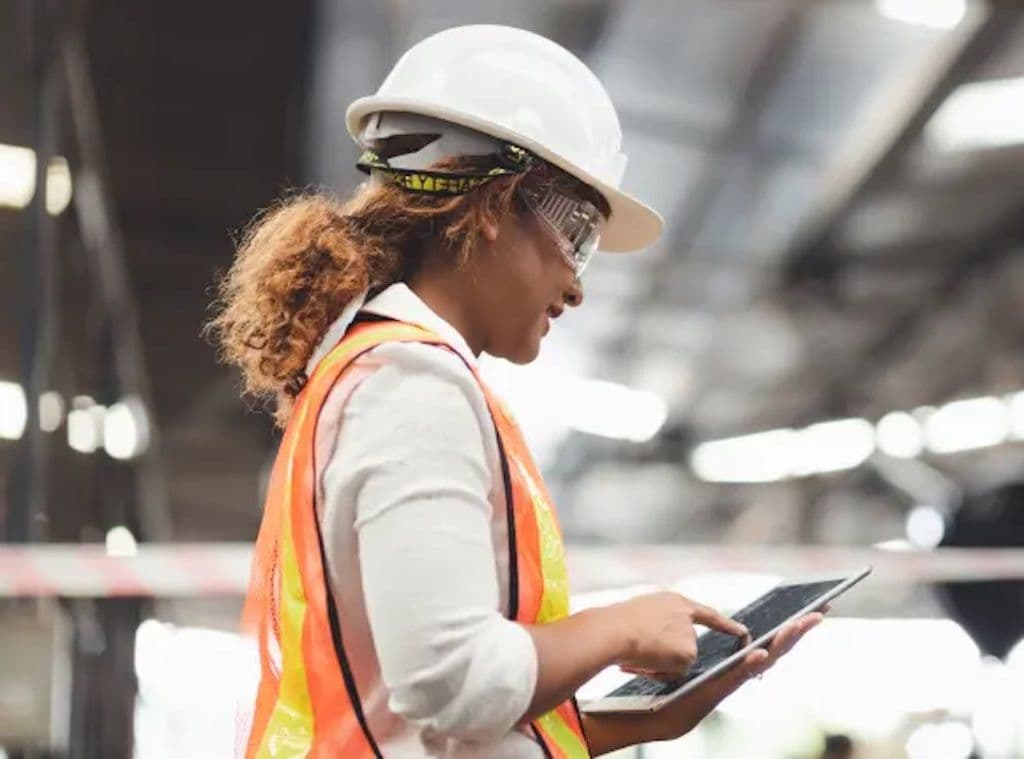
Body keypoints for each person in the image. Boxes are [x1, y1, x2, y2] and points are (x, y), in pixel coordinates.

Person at [208, 24, 824, 758]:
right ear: (495, 205)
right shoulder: (412, 383)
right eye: (577, 232)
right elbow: (453, 683)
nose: (577, 283)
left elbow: (419, 721)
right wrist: (619, 626)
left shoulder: (381, 371)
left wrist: (645, 721)